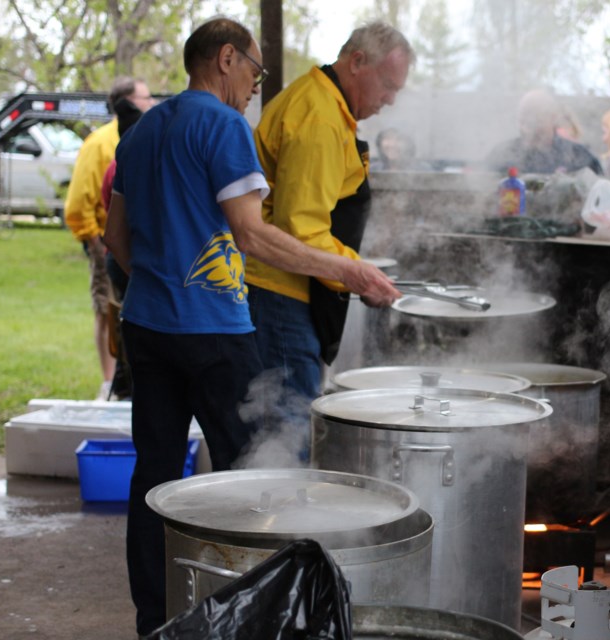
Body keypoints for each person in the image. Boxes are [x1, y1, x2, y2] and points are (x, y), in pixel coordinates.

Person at [103, 17, 399, 636]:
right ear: (226, 59)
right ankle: (252, 617)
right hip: (213, 330)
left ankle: (155, 619)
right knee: (255, 477)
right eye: (256, 72)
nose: (256, 88)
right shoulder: (223, 125)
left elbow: (117, 240)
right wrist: (351, 272)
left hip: (148, 328)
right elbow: (255, 234)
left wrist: (164, 282)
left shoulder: (142, 129)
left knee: (154, 473)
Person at [245, 21, 415, 406]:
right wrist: (358, 273)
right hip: (280, 293)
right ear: (357, 62)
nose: (390, 100)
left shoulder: (327, 105)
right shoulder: (318, 117)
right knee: (285, 432)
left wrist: (358, 270)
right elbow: (300, 230)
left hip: (293, 290)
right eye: (388, 85)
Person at [64, 77, 154, 401]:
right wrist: (97, 241)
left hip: (127, 244)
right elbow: (77, 203)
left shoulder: (144, 137)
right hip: (110, 242)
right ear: (127, 102)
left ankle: (124, 380)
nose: (151, 102)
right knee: (108, 311)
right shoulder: (102, 143)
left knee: (126, 315)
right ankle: (111, 383)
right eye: (145, 97)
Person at [484, 89, 603, 175]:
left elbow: (601, 195)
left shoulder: (579, 156)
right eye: (522, 117)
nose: (526, 123)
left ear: (553, 117)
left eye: (534, 115)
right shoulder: (502, 154)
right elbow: (483, 192)